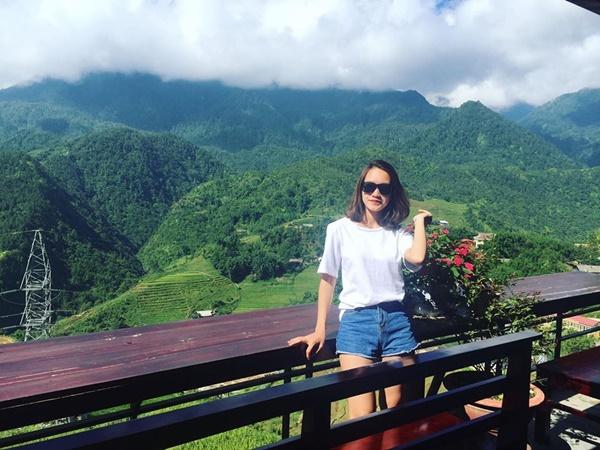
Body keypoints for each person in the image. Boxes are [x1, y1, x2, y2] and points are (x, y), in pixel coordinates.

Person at [288, 159, 431, 419]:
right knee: (363, 412)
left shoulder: (397, 234)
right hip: (356, 322)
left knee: (396, 405)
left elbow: (418, 258)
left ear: (393, 194)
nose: (376, 193)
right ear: (360, 189)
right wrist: (320, 329)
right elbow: (328, 279)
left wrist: (420, 222)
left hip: (396, 321)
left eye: (384, 189)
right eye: (369, 186)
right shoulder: (339, 230)